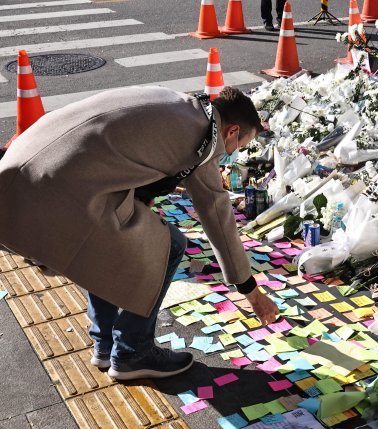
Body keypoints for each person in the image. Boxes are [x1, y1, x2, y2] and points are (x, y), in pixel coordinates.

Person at [0, 86, 279, 380]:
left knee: (108, 243)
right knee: (171, 245)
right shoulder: (206, 139)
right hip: (42, 202)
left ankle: (105, 342)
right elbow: (218, 221)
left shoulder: (178, 103)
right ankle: (133, 352)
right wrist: (252, 292)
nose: (232, 155)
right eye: (241, 145)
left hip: (16, 176)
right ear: (232, 131)